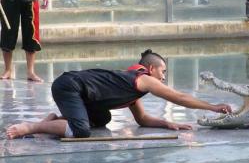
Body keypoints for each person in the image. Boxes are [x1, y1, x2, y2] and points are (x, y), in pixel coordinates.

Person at [6, 49, 233, 139]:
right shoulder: (143, 79)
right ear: (151, 69)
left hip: (77, 90)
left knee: (103, 118)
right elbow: (179, 98)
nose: (163, 78)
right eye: (162, 72)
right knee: (81, 131)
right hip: (69, 86)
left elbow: (142, 119)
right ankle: (32, 127)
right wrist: (213, 107)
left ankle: (54, 122)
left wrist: (168, 124)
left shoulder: (132, 86)